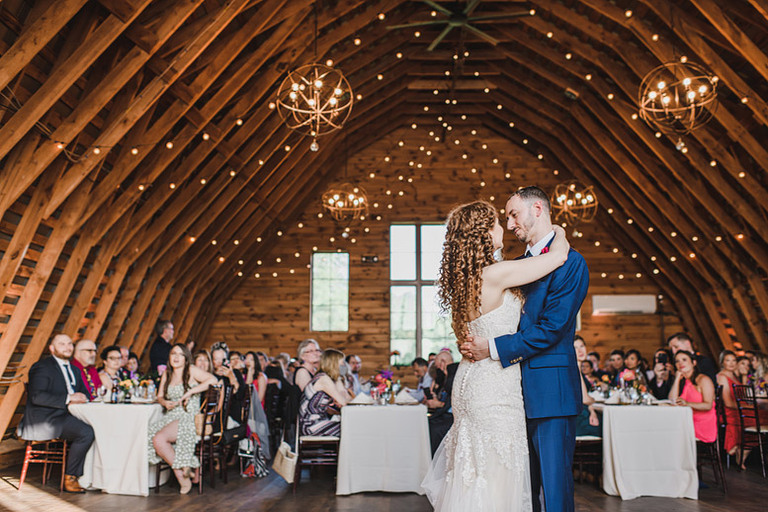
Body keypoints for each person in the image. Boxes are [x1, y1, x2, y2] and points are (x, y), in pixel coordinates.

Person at [423, 193, 581, 512]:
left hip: (481, 381)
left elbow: (550, 327)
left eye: (510, 217)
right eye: (498, 222)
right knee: (497, 474)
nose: (505, 228)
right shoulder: (497, 274)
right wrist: (561, 232)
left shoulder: (467, 279)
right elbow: (557, 256)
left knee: (479, 472)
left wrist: (486, 345)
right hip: (493, 387)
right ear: (484, 234)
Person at [16, 334, 94, 493]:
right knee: (86, 432)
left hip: (67, 415)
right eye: (62, 344)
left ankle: (96, 476)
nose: (67, 347)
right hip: (45, 418)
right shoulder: (42, 367)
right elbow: (37, 396)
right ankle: (71, 477)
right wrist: (68, 398)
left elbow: (85, 393)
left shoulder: (74, 369)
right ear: (51, 348)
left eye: (70, 344)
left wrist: (84, 397)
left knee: (99, 427)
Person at [148, 343, 217, 494]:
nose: (176, 357)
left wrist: (191, 391)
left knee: (159, 439)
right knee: (150, 433)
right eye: (174, 354)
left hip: (188, 415)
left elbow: (213, 380)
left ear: (186, 358)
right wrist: (165, 402)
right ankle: (185, 469)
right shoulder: (167, 373)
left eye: (180, 354)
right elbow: (159, 396)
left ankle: (182, 478)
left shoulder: (191, 370)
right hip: (171, 415)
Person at [298, 349, 350, 437]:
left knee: (352, 427)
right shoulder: (324, 379)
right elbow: (343, 402)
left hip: (317, 422)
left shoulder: (326, 378)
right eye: (342, 363)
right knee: (351, 428)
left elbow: (346, 398)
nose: (344, 366)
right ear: (334, 363)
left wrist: (339, 378)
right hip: (311, 425)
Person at [669, 350, 716, 443]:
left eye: (684, 360)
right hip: (686, 421)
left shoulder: (703, 380)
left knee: (670, 433)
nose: (680, 363)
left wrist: (687, 404)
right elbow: (672, 400)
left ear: (693, 363)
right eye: (677, 361)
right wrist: (677, 379)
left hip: (702, 424)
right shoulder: (684, 381)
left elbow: (708, 406)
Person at [427, 351, 458, 454]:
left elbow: (454, 399)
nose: (437, 369)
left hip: (453, 416)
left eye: (437, 366)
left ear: (443, 362)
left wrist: (439, 404)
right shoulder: (446, 375)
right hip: (445, 413)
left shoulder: (454, 374)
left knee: (433, 428)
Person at [717, 350, 744, 462]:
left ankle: (743, 450)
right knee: (758, 418)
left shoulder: (734, 376)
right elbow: (727, 402)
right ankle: (738, 449)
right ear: (722, 362)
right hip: (729, 411)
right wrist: (746, 407)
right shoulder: (722, 376)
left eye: (734, 360)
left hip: (738, 409)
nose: (732, 363)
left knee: (762, 416)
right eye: (728, 360)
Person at [210, 341, 246, 423]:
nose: (219, 362)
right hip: (214, 416)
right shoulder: (210, 376)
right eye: (216, 359)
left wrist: (231, 376)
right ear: (212, 360)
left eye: (222, 359)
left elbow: (241, 396)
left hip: (231, 417)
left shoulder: (235, 373)